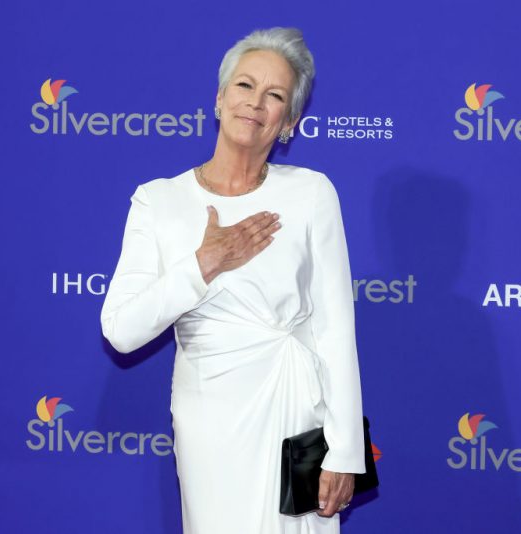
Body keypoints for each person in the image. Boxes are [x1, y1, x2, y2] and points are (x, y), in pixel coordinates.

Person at [100, 27, 366, 534]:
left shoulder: (312, 193)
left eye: (275, 96)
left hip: (299, 412)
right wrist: (203, 263)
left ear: (288, 123)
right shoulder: (159, 201)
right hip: (210, 419)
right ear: (219, 100)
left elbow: (335, 328)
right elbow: (120, 329)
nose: (255, 104)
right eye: (245, 86)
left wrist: (346, 449)